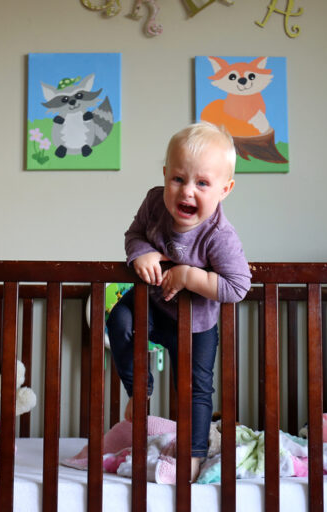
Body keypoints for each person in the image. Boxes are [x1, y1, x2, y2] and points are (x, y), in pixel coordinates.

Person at [106, 121, 251, 481]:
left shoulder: (220, 235)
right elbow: (135, 233)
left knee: (195, 390)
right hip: (152, 306)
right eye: (178, 179)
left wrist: (188, 275)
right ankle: (139, 391)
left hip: (198, 323)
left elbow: (237, 286)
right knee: (118, 321)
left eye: (202, 183)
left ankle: (192, 455)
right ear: (166, 174)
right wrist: (140, 253)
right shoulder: (155, 203)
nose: (187, 191)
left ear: (225, 189)